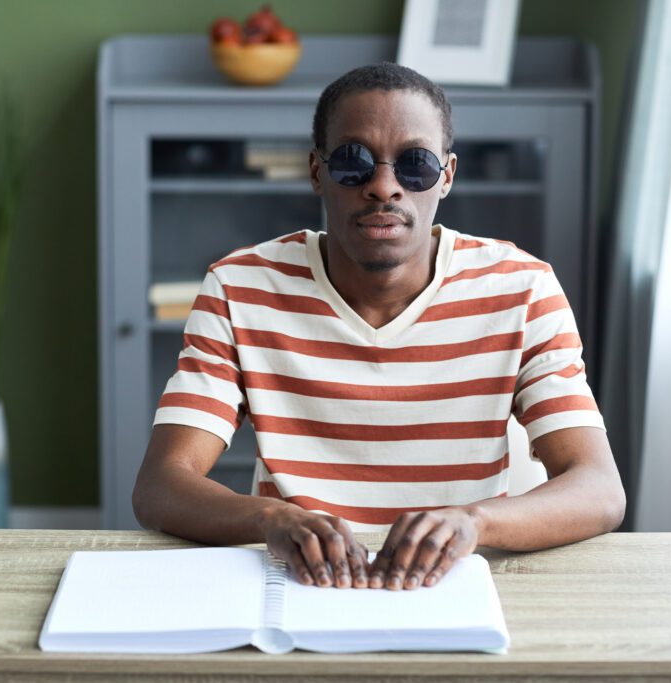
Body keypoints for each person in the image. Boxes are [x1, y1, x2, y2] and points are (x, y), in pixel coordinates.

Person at [133, 63, 626, 592]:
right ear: (317, 171)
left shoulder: (523, 291)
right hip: (297, 582)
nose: (384, 187)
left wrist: (473, 522)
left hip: (459, 582)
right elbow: (161, 485)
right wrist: (269, 519)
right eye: (353, 162)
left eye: (415, 165)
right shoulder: (239, 289)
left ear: (447, 175)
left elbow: (599, 488)